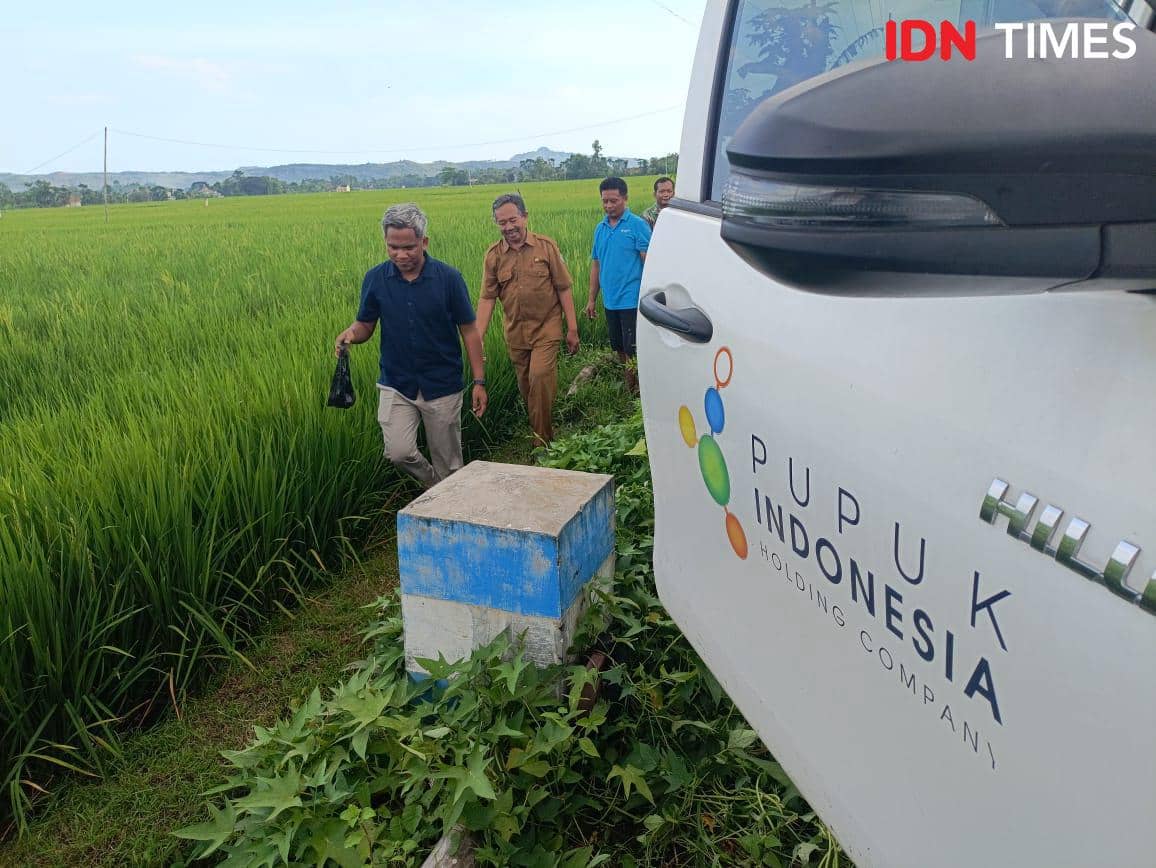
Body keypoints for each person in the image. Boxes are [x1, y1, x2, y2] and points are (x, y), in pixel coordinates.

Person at [334, 203, 487, 487]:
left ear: (423, 242)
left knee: (449, 463)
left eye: (408, 247)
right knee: (398, 452)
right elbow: (365, 324)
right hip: (396, 382)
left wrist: (479, 381)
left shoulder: (449, 279)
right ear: (385, 242)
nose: (400, 255)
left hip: (441, 383)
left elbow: (469, 331)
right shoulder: (376, 279)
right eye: (393, 247)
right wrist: (351, 334)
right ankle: (436, 488)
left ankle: (448, 500)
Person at [477, 193, 580, 445]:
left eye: (513, 220)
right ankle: (542, 430)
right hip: (515, 333)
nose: (508, 227)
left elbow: (563, 288)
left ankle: (541, 443)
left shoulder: (546, 247)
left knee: (540, 377)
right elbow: (487, 298)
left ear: (524, 217)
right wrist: (477, 337)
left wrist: (572, 328)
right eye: (502, 222)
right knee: (527, 389)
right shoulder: (493, 256)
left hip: (547, 327)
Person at [585, 177, 652, 392]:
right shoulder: (600, 228)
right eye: (605, 201)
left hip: (631, 299)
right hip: (610, 300)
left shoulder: (637, 225)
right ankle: (630, 381)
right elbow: (596, 265)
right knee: (618, 346)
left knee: (632, 346)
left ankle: (638, 388)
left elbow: (648, 261)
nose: (608, 206)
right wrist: (591, 299)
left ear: (625, 198)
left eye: (613, 201)